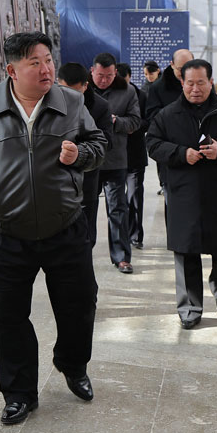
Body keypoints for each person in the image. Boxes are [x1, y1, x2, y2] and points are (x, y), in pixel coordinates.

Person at [0, 32, 107, 425]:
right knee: (10, 316)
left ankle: (73, 365)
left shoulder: (71, 102)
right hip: (7, 231)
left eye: (48, 59)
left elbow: (98, 143)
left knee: (79, 305)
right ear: (12, 70)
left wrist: (81, 154)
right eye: (35, 62)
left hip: (65, 226)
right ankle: (19, 393)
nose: (46, 68)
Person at [146, 59, 217, 329]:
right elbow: (153, 144)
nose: (195, 88)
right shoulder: (168, 115)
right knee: (186, 253)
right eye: (190, 83)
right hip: (185, 194)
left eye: (200, 83)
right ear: (182, 83)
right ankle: (190, 308)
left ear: (211, 82)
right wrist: (181, 153)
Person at [90, 53, 142, 273]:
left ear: (115, 73)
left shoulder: (127, 91)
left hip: (116, 160)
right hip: (89, 160)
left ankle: (121, 257)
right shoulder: (82, 90)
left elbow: (136, 121)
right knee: (86, 209)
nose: (104, 80)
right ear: (92, 71)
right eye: (100, 75)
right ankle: (82, 253)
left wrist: (115, 121)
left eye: (109, 76)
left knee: (118, 209)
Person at [57, 63, 113, 250]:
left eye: (76, 92)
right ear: (58, 84)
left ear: (85, 86)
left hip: (86, 178)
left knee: (85, 233)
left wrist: (79, 152)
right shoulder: (45, 103)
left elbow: (106, 143)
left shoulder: (100, 106)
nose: (70, 97)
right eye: (65, 91)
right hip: (54, 180)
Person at [146, 49, 193, 194]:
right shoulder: (158, 88)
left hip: (197, 152)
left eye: (189, 67)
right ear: (172, 65)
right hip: (171, 151)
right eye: (181, 69)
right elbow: (152, 118)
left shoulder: (201, 85)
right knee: (174, 203)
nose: (185, 72)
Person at [117, 62, 148, 250]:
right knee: (117, 200)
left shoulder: (141, 96)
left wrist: (132, 126)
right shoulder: (109, 97)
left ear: (129, 77)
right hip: (114, 155)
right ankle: (121, 235)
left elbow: (148, 121)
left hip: (135, 152)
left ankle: (136, 234)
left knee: (135, 195)